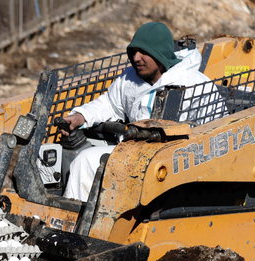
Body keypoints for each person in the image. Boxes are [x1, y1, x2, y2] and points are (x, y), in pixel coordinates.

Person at [60, 22, 220, 202]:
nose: (136, 58)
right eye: (133, 52)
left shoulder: (195, 83)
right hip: (133, 153)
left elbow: (216, 129)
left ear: (160, 54)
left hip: (175, 162)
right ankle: (70, 224)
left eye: (143, 52)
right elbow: (109, 104)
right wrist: (82, 116)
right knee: (85, 161)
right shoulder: (129, 79)